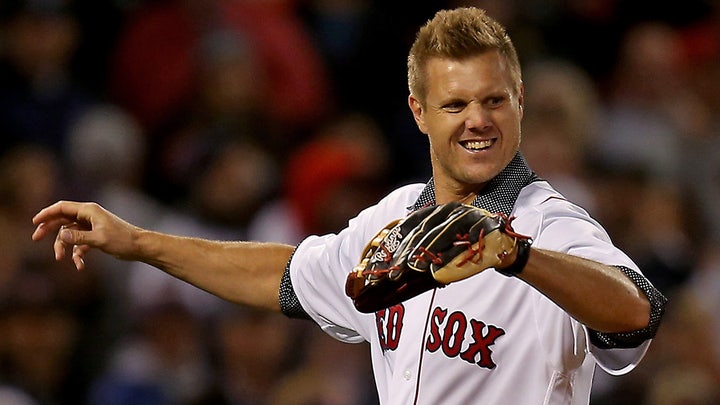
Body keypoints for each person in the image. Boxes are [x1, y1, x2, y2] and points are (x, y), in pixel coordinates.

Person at [32, 7, 667, 404]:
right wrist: (140, 242)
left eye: (494, 100)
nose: (478, 120)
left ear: (520, 100)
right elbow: (283, 276)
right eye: (454, 104)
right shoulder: (393, 217)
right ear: (419, 112)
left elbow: (637, 311)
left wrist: (516, 256)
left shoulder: (549, 223)